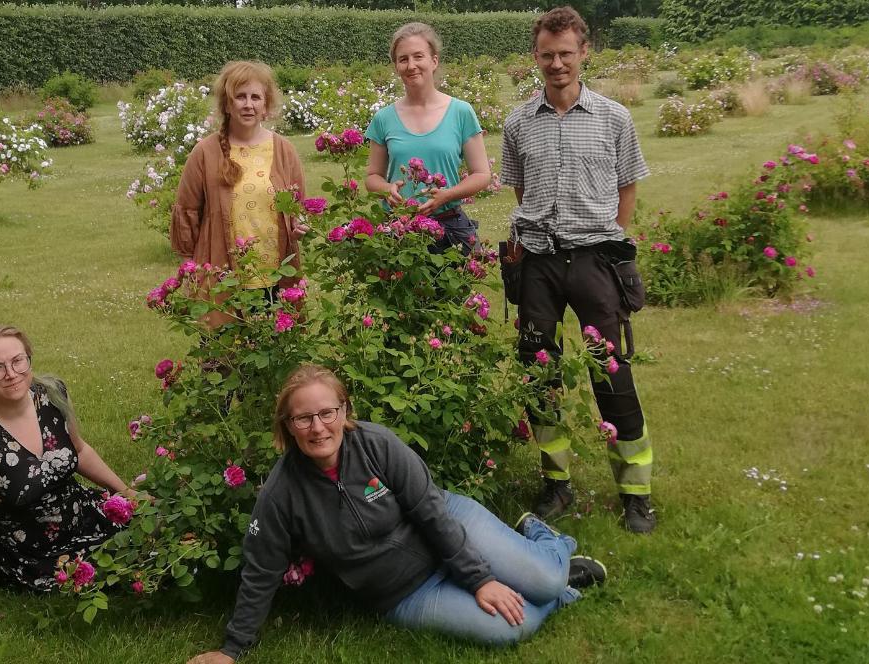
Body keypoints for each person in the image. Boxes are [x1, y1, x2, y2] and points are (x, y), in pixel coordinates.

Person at [186, 365, 607, 663]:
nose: (318, 428)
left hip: (448, 526)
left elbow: (430, 512)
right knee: (512, 628)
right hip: (405, 594)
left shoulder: (376, 444)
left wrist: (478, 579)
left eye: (327, 412)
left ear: (344, 411)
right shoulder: (281, 495)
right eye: (303, 418)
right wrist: (232, 649)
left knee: (546, 578)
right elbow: (261, 571)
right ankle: (555, 591)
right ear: (287, 425)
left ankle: (548, 542)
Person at [499, 6, 657, 533]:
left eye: (566, 53)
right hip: (538, 262)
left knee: (609, 373)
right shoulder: (518, 122)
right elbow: (521, 191)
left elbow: (628, 186)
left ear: (584, 52)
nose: (557, 64)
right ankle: (556, 485)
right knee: (539, 374)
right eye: (547, 55)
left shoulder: (614, 117)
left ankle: (636, 492)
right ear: (535, 57)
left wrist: (609, 238)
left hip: (594, 261)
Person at [0, 325, 133, 627]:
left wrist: (125, 491)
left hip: (78, 513)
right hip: (27, 549)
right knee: (121, 571)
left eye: (18, 361)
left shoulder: (51, 394)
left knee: (154, 529)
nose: (11, 373)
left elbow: (80, 451)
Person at [171, 60, 307, 325]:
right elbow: (186, 212)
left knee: (276, 353)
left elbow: (297, 206)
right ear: (227, 104)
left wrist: (299, 224)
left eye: (256, 97)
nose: (248, 104)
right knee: (226, 354)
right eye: (240, 97)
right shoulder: (205, 153)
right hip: (223, 274)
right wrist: (190, 270)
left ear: (266, 105)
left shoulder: (283, 150)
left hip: (274, 272)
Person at [365, 22, 492, 255]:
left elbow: (482, 174)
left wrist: (447, 195)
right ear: (396, 66)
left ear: (434, 61)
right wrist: (387, 188)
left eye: (418, 56)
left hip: (449, 228)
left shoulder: (460, 112)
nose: (411, 65)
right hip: (399, 230)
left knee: (450, 291)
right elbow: (372, 177)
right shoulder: (384, 118)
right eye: (403, 59)